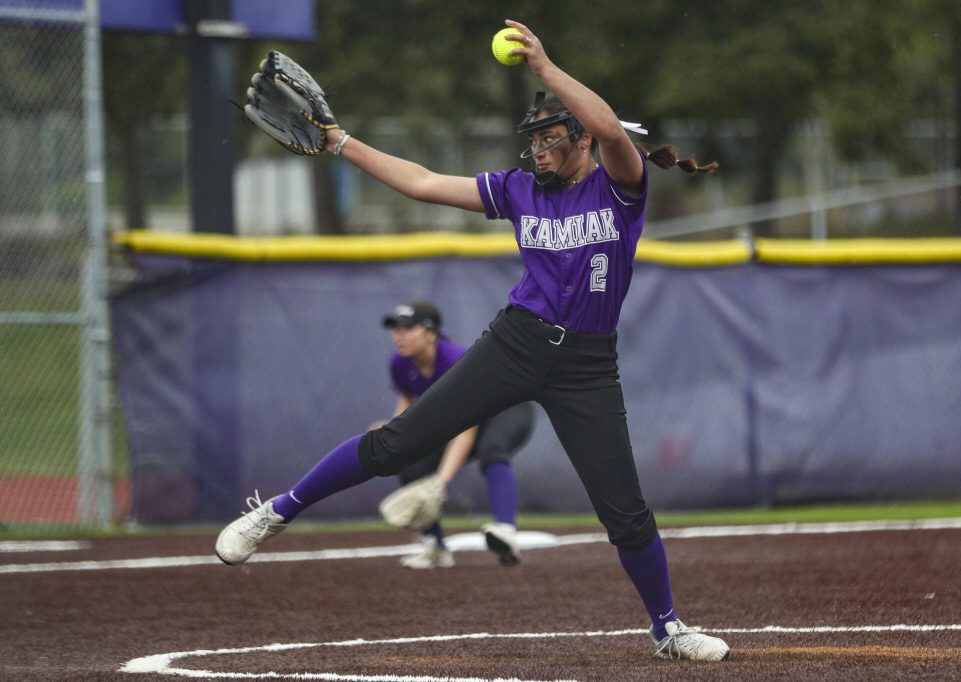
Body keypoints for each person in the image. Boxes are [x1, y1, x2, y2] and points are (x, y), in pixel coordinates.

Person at [216, 19, 729, 662]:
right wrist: (342, 142)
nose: (538, 149)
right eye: (534, 139)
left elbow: (607, 129)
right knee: (397, 443)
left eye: (550, 137)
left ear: (580, 140)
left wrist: (544, 67)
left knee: (624, 512)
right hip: (517, 343)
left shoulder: (619, 186)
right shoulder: (520, 191)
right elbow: (425, 183)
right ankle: (277, 513)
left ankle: (668, 630)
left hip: (588, 366)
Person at [374, 300, 533, 569]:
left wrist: (441, 482)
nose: (398, 335)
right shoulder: (400, 364)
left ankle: (506, 531)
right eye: (396, 328)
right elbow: (408, 401)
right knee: (408, 457)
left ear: (430, 333)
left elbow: (466, 432)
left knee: (492, 449)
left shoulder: (454, 361)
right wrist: (392, 432)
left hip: (506, 409)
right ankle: (435, 547)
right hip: (466, 419)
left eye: (408, 328)